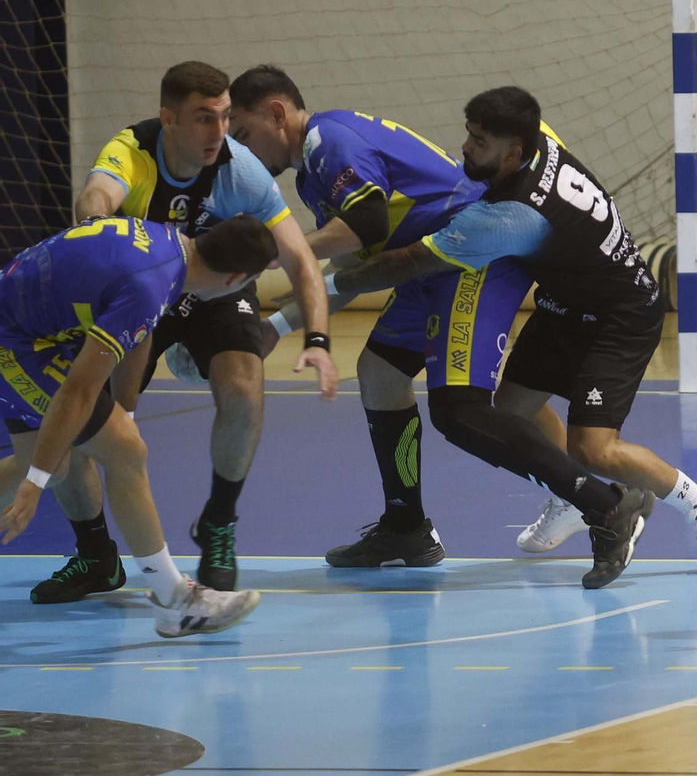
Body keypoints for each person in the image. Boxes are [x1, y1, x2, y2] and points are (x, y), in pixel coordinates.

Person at [311, 86, 697, 587]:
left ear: (514, 152)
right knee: (510, 414)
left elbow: (410, 263)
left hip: (619, 316)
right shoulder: (542, 141)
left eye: (480, 143)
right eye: (469, 135)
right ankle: (568, 494)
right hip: (565, 304)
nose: (466, 149)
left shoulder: (509, 216)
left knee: (594, 450)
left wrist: (315, 290)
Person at [18, 61, 335, 605]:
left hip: (212, 285)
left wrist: (318, 342)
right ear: (168, 119)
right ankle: (96, 555)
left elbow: (303, 263)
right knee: (83, 423)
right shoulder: (133, 151)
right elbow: (94, 200)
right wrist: (97, 233)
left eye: (226, 117)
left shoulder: (243, 172)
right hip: (145, 287)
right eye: (204, 119)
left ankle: (218, 522)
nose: (219, 133)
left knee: (242, 388)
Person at [231, 64, 565, 567]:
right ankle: (407, 525)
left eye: (243, 133)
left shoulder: (328, 140)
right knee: (380, 372)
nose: (243, 149)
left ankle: (585, 493)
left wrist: (283, 249)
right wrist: (273, 328)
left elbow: (363, 224)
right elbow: (347, 275)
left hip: (468, 252)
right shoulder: (312, 175)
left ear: (276, 113)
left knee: (472, 404)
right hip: (422, 268)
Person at [0, 214, 278, 637]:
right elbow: (77, 391)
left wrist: (125, 413)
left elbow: (139, 334)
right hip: (17, 345)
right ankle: (175, 600)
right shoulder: (150, 285)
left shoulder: (168, 248)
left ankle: (173, 599)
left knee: (59, 461)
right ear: (235, 279)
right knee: (124, 454)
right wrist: (34, 485)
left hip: (29, 326)